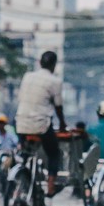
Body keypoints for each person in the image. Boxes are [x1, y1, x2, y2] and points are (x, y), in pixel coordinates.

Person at [14, 50, 66, 197]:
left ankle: (17, 188)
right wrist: (62, 124)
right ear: (54, 65)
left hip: (21, 123)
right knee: (54, 153)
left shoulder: (27, 77)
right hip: (40, 125)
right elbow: (58, 107)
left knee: (24, 154)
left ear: (40, 63)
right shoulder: (55, 81)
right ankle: (50, 186)